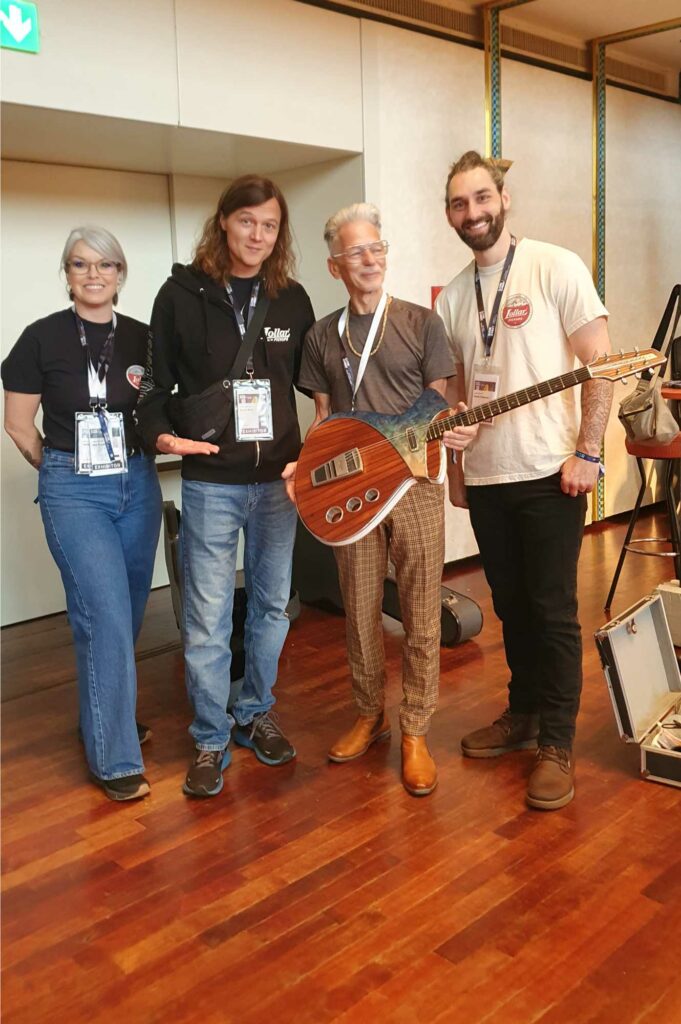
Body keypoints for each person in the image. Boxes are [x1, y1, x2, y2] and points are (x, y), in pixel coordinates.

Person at [436, 150, 613, 811]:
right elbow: (456, 395)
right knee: (510, 606)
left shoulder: (554, 266)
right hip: (487, 478)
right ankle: (526, 712)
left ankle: (557, 744)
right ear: (449, 214)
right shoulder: (455, 296)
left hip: (550, 471)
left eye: (482, 198)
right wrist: (456, 464)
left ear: (503, 199)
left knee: (551, 609)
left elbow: (602, 364)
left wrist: (588, 452)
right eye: (459, 203)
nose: (473, 212)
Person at [135, 175, 315, 798]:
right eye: (246, 222)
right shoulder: (179, 295)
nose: (257, 235)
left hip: (278, 482)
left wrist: (316, 452)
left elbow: (317, 386)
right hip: (212, 481)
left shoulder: (291, 299)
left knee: (271, 607)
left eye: (269, 225)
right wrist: (163, 438)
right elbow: (152, 387)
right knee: (207, 618)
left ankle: (256, 711)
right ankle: (210, 737)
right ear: (223, 223)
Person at [294, 202, 476, 797]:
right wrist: (310, 471)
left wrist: (450, 429)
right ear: (335, 266)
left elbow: (435, 404)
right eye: (356, 251)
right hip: (351, 493)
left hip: (414, 485)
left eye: (377, 247)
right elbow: (323, 419)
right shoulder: (321, 335)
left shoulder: (421, 323)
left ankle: (416, 729)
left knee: (422, 609)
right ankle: (369, 714)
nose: (370, 259)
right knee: (360, 607)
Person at [2, 227, 162, 801]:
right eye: (80, 264)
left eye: (105, 264)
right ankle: (116, 759)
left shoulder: (143, 338)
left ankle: (101, 717)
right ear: (66, 274)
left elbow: (159, 408)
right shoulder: (40, 337)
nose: (93, 274)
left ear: (120, 274)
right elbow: (18, 423)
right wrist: (57, 467)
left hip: (137, 483)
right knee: (105, 617)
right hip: (74, 488)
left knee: (126, 612)